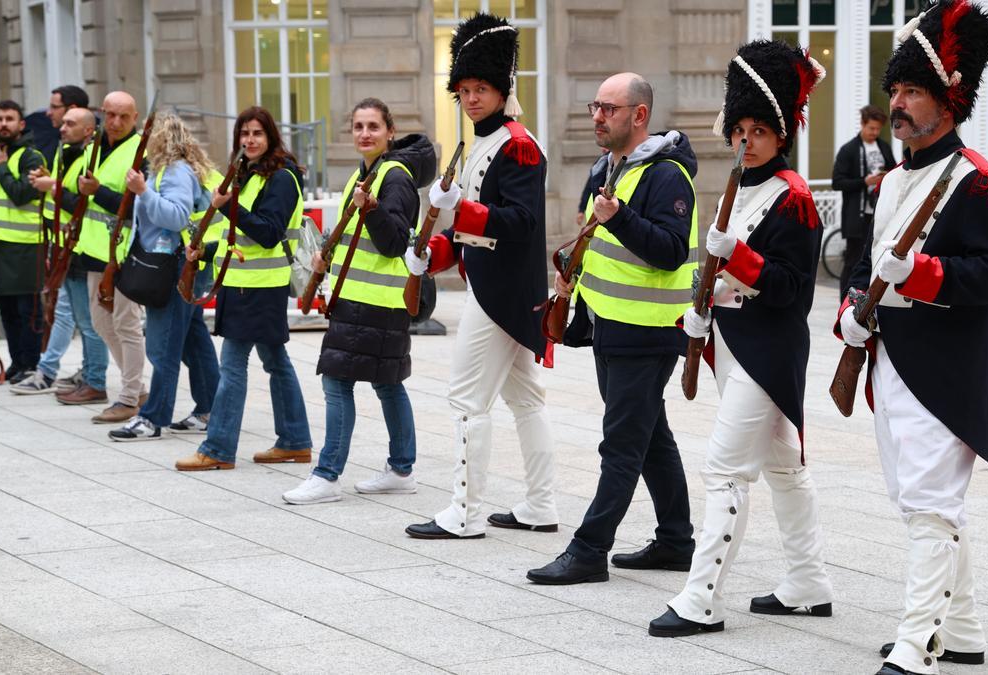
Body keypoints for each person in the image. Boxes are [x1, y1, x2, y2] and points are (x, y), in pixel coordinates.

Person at [836, 2, 988, 672]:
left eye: (913, 91)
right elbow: (864, 267)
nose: (899, 104)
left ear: (949, 100)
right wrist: (853, 310)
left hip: (947, 366)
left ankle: (920, 640)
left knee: (929, 507)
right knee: (920, 500)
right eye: (896, 91)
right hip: (891, 361)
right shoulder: (891, 181)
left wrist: (923, 273)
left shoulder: (979, 181)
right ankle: (963, 627)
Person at [646, 40, 832, 637]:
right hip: (731, 342)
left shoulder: (796, 198)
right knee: (783, 470)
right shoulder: (740, 186)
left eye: (759, 130)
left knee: (724, 469)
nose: (745, 140)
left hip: (768, 349)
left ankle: (701, 598)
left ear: (782, 135)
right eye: (739, 129)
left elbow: (791, 290)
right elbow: (723, 275)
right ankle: (808, 582)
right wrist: (698, 315)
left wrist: (741, 261)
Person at [527, 73, 698, 585]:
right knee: (650, 438)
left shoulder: (666, 175)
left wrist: (619, 218)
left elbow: (668, 252)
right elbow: (608, 243)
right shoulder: (614, 167)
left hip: (646, 331)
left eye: (609, 108)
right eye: (594, 106)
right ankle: (675, 541)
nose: (597, 117)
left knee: (621, 443)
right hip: (614, 327)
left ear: (639, 115)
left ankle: (588, 550)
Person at [403, 12, 558, 540]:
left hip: (499, 293)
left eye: (482, 88)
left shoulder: (517, 144)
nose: (471, 98)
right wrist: (434, 254)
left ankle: (464, 513)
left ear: (502, 89)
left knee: (467, 400)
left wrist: (459, 213)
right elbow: (479, 234)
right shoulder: (483, 144)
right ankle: (540, 503)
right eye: (464, 90)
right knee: (525, 400)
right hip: (497, 284)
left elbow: (521, 224)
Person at [282, 99, 437, 503]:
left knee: (338, 383)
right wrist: (325, 256)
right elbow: (358, 238)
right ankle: (401, 469)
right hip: (363, 299)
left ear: (390, 132)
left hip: (375, 302)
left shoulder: (394, 177)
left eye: (373, 126)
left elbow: (390, 243)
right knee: (388, 384)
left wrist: (369, 209)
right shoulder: (364, 174)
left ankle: (327, 475)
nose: (364, 133)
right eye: (358, 127)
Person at [174, 106, 312, 471]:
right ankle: (295, 440)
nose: (250, 140)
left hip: (258, 288)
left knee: (233, 367)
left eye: (257, 134)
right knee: (275, 362)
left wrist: (227, 205)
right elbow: (240, 240)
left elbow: (267, 233)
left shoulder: (281, 178)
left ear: (271, 138)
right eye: (244, 134)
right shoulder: (247, 175)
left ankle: (218, 448)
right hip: (242, 285)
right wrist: (205, 251)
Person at [107, 113, 221, 441]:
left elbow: (175, 216)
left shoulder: (174, 171)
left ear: (159, 137)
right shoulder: (177, 169)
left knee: (163, 346)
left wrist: (143, 191)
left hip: (173, 269)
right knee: (192, 342)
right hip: (180, 265)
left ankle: (154, 418)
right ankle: (209, 408)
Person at [13, 107, 110, 400]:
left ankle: (95, 381)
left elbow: (80, 204)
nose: (62, 128)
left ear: (89, 130)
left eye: (70, 124)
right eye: (63, 122)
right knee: (81, 318)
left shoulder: (89, 158)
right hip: (66, 248)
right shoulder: (65, 152)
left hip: (84, 248)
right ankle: (88, 377)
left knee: (90, 322)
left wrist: (52, 187)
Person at [75, 91, 149, 423]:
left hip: (125, 251)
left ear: (135, 118)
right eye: (110, 115)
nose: (116, 123)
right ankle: (139, 390)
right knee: (101, 323)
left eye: (123, 117)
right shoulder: (93, 147)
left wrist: (97, 192)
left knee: (126, 324)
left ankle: (130, 395)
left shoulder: (141, 152)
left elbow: (138, 205)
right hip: (95, 250)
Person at [0, 100, 47, 384]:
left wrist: (2, 168)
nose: (4, 124)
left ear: (21, 124)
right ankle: (17, 362)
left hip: (26, 245)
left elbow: (21, 194)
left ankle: (31, 363)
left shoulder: (31, 157)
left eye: (9, 119)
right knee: (8, 311)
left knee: (28, 310)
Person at [833, 105, 895, 297]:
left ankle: (867, 300)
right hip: (857, 216)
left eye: (878, 129)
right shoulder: (849, 150)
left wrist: (887, 176)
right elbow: (837, 182)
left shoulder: (883, 146)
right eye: (871, 128)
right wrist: (864, 182)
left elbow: (895, 172)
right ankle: (845, 301)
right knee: (852, 261)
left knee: (876, 259)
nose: (874, 133)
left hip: (879, 212)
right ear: (862, 124)